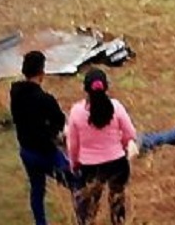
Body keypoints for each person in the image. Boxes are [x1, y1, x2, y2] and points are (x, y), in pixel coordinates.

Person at [66, 69, 136, 225]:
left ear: (85, 89)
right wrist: (124, 145)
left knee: (89, 209)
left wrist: (74, 163)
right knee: (117, 203)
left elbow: (73, 144)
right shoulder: (116, 107)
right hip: (117, 163)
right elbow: (130, 133)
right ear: (106, 87)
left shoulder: (76, 112)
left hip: (90, 167)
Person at [10, 51, 69, 225]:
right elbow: (59, 121)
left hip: (26, 151)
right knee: (75, 183)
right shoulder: (45, 99)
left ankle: (40, 223)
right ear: (42, 73)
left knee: (37, 190)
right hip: (46, 153)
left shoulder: (15, 94)